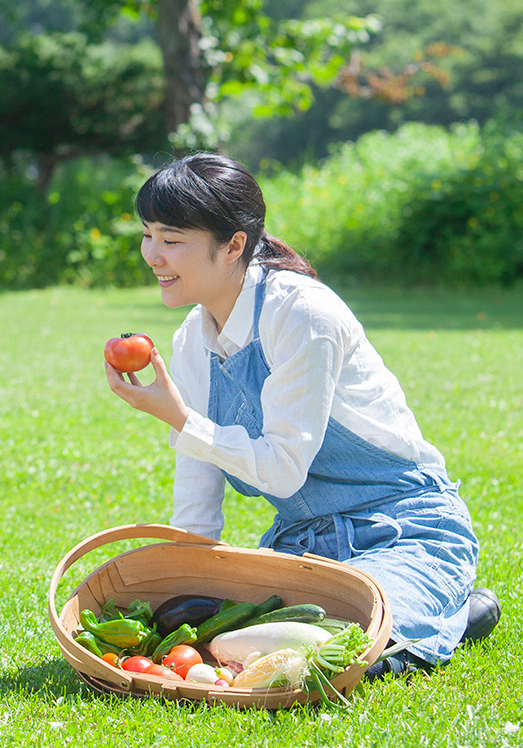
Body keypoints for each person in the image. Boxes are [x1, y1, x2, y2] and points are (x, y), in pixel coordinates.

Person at [103, 153, 500, 676]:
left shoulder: (301, 314)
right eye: (148, 234)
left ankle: (452, 613)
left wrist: (182, 421)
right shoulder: (191, 340)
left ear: (234, 246)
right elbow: (198, 496)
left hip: (403, 530)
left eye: (172, 240)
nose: (152, 254)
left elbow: (283, 471)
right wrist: (185, 588)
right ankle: (437, 617)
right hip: (300, 545)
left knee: (331, 652)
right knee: (231, 642)